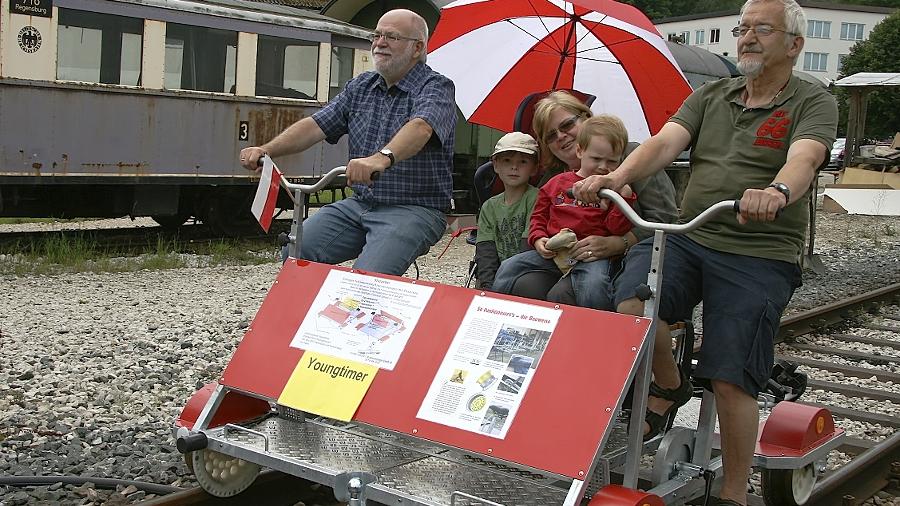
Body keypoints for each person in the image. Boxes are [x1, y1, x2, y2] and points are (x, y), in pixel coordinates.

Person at [574, 1, 837, 504]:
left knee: (731, 375)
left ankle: (733, 493)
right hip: (692, 237)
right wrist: (615, 176)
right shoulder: (712, 94)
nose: (748, 38)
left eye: (763, 29)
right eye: (743, 29)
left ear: (795, 44)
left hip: (760, 250)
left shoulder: (812, 100)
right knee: (633, 308)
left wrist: (778, 192)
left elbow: (806, 156)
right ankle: (671, 385)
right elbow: (663, 143)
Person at [239, 9, 456, 276]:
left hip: (414, 208)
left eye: (392, 36)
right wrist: (267, 149)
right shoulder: (362, 86)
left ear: (417, 47)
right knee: (298, 251)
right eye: (376, 35)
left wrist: (381, 158)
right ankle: (311, 316)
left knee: (367, 277)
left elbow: (421, 127)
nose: (380, 42)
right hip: (360, 204)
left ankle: (372, 312)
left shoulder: (436, 87)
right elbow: (315, 125)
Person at [506, 91, 679, 304]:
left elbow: (666, 218)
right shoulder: (554, 178)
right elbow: (535, 222)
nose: (560, 136)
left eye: (567, 125)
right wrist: (541, 240)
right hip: (563, 258)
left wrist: (619, 243)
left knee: (564, 294)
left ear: (586, 118)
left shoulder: (631, 156)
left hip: (630, 257)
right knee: (525, 285)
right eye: (550, 136)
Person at [492, 115, 638, 310]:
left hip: (590, 255)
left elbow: (616, 228)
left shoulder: (612, 190)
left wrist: (623, 198)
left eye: (612, 162)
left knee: (594, 286)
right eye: (596, 159)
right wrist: (538, 239)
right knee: (508, 267)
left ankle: (597, 328)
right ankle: (493, 311)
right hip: (554, 251)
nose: (603, 167)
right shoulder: (556, 183)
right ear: (580, 151)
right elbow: (538, 217)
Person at [474, 132, 540, 290]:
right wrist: (488, 287)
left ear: (534, 168)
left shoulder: (537, 198)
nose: (514, 167)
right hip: (497, 271)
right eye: (507, 160)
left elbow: (528, 247)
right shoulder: (489, 207)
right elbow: (485, 249)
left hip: (527, 271)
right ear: (496, 165)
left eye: (523, 162)